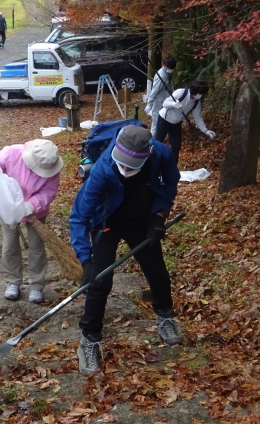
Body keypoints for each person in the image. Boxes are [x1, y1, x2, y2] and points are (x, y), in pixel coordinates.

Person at [69, 125, 181, 376]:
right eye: (123, 163)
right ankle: (89, 339)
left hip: (142, 221)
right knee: (99, 282)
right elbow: (78, 218)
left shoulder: (160, 154)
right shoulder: (102, 170)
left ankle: (165, 318)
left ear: (148, 155)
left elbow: (169, 184)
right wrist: (85, 261)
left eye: (133, 165)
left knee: (157, 272)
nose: (127, 169)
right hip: (107, 224)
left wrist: (159, 216)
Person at [0, 140, 63, 304]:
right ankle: (13, 281)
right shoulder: (12, 153)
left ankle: (36, 285)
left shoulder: (52, 166)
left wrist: (31, 205)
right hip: (8, 205)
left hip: (35, 210)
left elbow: (49, 192)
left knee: (36, 246)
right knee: (10, 242)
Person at [155, 80, 215, 164]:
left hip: (176, 124)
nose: (201, 96)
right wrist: (173, 104)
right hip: (164, 120)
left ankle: (172, 168)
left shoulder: (196, 102)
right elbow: (165, 103)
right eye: (200, 93)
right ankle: (153, 163)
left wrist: (205, 130)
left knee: (176, 146)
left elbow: (197, 117)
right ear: (196, 92)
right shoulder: (181, 93)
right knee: (157, 142)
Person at [146, 56, 176, 138]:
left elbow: (168, 85)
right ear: (165, 65)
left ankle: (158, 138)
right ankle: (152, 140)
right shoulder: (161, 76)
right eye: (170, 68)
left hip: (165, 100)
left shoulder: (167, 73)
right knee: (156, 122)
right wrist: (150, 103)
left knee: (163, 120)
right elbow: (154, 90)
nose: (171, 70)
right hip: (159, 102)